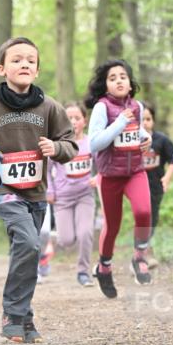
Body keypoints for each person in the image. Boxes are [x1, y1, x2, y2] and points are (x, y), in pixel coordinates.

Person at [0, 37, 77, 343]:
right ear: (2, 68)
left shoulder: (50, 107)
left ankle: (24, 316)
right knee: (29, 242)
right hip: (4, 188)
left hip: (36, 192)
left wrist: (56, 147)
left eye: (30, 61)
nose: (24, 64)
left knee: (28, 251)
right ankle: (12, 313)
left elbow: (71, 144)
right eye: (16, 59)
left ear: (37, 70)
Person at [85, 59, 152, 299]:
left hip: (135, 171)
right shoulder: (102, 108)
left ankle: (139, 256)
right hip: (110, 176)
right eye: (112, 78)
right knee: (112, 226)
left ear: (130, 83)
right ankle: (104, 267)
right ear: (105, 86)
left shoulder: (137, 106)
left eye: (122, 76)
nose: (118, 81)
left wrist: (146, 138)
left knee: (144, 212)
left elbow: (138, 131)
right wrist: (119, 123)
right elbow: (94, 143)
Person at [47, 101, 98, 287]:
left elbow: (103, 164)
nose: (73, 122)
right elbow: (47, 169)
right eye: (69, 118)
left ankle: (83, 272)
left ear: (84, 121)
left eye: (77, 118)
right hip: (62, 198)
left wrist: (99, 177)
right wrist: (50, 191)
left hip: (85, 195)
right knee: (66, 240)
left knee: (85, 233)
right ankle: (55, 241)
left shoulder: (91, 143)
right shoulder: (58, 144)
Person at [142, 105, 173, 267]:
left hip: (156, 186)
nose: (144, 123)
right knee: (143, 216)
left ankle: (145, 248)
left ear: (153, 121)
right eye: (141, 119)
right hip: (138, 187)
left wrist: (167, 178)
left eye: (148, 119)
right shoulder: (130, 141)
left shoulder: (161, 140)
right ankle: (144, 252)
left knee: (152, 218)